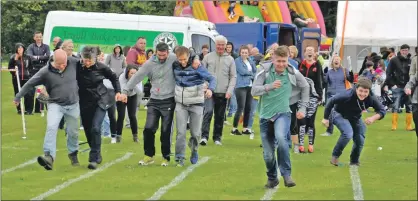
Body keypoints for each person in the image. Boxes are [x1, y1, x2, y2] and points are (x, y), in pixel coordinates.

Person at [120, 42, 200, 166]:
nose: (162, 57)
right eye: (159, 55)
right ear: (156, 53)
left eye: (164, 55)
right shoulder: (149, 63)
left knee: (165, 130)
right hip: (154, 100)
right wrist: (125, 91)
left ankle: (166, 157)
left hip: (169, 99)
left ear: (168, 53)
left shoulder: (174, 57)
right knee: (148, 128)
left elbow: (190, 53)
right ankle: (149, 155)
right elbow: (137, 76)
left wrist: (196, 59)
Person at [13, 49, 80, 170]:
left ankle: (73, 153)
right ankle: (49, 156)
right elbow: (29, 84)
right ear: (55, 62)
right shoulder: (45, 72)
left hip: (73, 104)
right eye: (61, 64)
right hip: (55, 104)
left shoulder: (73, 62)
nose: (64, 66)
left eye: (65, 63)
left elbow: (88, 65)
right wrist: (18, 97)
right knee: (51, 127)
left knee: (73, 131)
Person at [251, 46, 308, 188]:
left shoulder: (292, 71)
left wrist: (302, 108)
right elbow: (253, 90)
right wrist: (269, 86)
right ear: (273, 59)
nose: (281, 64)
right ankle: (272, 178)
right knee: (268, 155)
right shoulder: (263, 71)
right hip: (265, 116)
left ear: (288, 59)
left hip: (283, 113)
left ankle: (286, 174)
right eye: (278, 61)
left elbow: (306, 86)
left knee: (282, 139)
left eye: (284, 61)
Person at [323, 78, 386, 166]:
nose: (363, 94)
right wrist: (326, 118)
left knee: (360, 138)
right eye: (360, 91)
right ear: (356, 88)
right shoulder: (347, 95)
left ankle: (354, 161)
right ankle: (335, 157)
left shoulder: (371, 98)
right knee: (348, 133)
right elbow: (331, 101)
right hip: (339, 114)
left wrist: (373, 118)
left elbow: (382, 111)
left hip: (355, 117)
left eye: (366, 92)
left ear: (369, 91)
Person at [76, 46, 121, 169]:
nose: (88, 62)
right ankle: (97, 151)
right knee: (88, 129)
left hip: (100, 100)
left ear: (95, 58)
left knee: (96, 127)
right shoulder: (77, 66)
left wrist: (118, 92)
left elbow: (114, 77)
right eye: (85, 60)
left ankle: (93, 158)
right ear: (81, 58)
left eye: (90, 60)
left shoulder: (102, 67)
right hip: (84, 101)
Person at [172, 46, 216, 166]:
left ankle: (194, 150)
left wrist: (210, 89)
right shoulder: (174, 65)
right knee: (180, 132)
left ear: (188, 57)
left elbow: (212, 79)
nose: (182, 62)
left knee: (195, 133)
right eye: (180, 59)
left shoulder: (197, 66)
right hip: (181, 103)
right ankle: (179, 157)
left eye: (184, 59)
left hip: (196, 103)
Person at [200, 35, 237, 146]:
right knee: (208, 112)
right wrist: (205, 86)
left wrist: (230, 90)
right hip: (209, 92)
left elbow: (233, 76)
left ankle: (217, 137)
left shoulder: (230, 59)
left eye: (222, 45)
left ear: (226, 46)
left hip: (223, 92)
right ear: (215, 45)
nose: (220, 47)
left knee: (220, 115)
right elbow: (202, 73)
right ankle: (204, 136)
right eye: (218, 45)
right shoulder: (208, 57)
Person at [321, 55, 352, 137]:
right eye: (335, 59)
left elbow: (351, 79)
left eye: (338, 59)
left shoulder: (344, 71)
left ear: (340, 62)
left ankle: (346, 130)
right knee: (329, 113)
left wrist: (351, 70)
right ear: (332, 62)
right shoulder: (329, 72)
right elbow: (324, 82)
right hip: (330, 95)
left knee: (343, 114)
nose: (336, 61)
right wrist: (324, 73)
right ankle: (329, 131)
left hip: (341, 95)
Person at [384, 44, 413, 131]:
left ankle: (408, 126)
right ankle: (394, 125)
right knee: (395, 105)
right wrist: (392, 84)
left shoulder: (410, 61)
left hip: (407, 86)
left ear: (408, 51)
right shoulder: (394, 60)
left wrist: (411, 85)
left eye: (406, 50)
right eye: (403, 50)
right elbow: (388, 73)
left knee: (409, 105)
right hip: (397, 86)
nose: (405, 52)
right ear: (400, 50)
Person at [231, 45, 256, 135]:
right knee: (240, 107)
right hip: (240, 86)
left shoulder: (250, 61)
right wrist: (251, 74)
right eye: (242, 52)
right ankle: (234, 128)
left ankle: (245, 128)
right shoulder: (237, 61)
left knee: (248, 108)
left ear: (248, 53)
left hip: (250, 85)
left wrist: (251, 74)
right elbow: (242, 71)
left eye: (246, 52)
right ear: (240, 53)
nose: (244, 54)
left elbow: (255, 71)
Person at [27, 31, 51, 114]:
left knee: (41, 89)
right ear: (34, 38)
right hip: (33, 70)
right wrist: (41, 58)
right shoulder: (31, 46)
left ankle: (38, 109)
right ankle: (29, 110)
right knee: (31, 90)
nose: (39, 39)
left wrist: (36, 57)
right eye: (37, 37)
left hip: (43, 70)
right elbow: (29, 56)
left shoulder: (46, 47)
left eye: (40, 37)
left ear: (42, 37)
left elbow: (47, 56)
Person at [115, 65, 141, 143]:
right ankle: (118, 136)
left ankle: (135, 137)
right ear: (127, 73)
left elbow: (139, 91)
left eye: (135, 73)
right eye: (131, 73)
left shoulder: (138, 78)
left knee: (132, 116)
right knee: (121, 115)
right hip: (122, 96)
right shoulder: (122, 77)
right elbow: (122, 89)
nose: (133, 75)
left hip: (132, 95)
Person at [8, 43, 34, 115]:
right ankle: (19, 109)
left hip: (26, 78)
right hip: (17, 79)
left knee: (28, 94)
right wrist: (14, 73)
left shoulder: (27, 57)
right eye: (18, 48)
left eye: (21, 48)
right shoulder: (13, 57)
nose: (20, 50)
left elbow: (31, 67)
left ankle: (28, 110)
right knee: (18, 94)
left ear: (23, 49)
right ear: (16, 49)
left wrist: (30, 75)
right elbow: (10, 68)